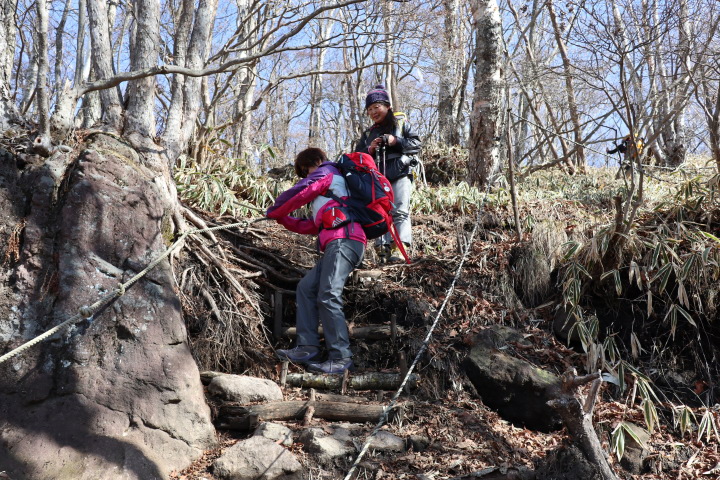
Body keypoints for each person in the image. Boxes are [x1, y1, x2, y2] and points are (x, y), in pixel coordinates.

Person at [266, 147, 365, 375]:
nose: (307, 174)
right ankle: (308, 347)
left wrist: (276, 208)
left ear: (316, 161)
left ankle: (341, 357)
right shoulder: (329, 197)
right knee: (306, 288)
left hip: (345, 240)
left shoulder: (327, 171)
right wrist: (282, 218)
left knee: (329, 293)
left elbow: (303, 190)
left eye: (306, 169)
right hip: (337, 242)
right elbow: (312, 226)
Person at [354, 84, 421, 263]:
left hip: (400, 171)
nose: (373, 112)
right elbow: (356, 156)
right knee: (380, 212)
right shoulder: (368, 133)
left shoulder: (400, 124)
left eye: (377, 107)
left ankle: (400, 248)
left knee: (400, 210)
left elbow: (416, 144)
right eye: (370, 109)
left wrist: (395, 141)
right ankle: (381, 248)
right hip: (377, 177)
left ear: (387, 106)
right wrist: (370, 149)